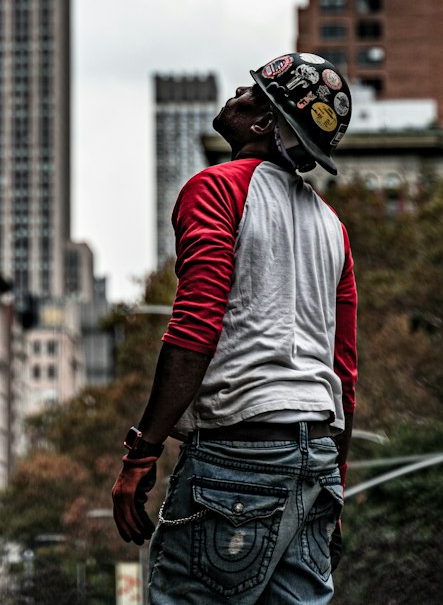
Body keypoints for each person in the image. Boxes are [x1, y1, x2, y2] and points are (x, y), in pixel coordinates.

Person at [112, 52, 357, 604]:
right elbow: (343, 372)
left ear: (266, 123)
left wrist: (141, 453)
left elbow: (196, 327)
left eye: (251, 93)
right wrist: (333, 485)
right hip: (314, 464)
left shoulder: (216, 190)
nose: (237, 96)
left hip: (237, 462)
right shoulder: (332, 228)